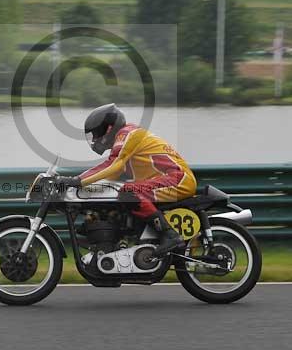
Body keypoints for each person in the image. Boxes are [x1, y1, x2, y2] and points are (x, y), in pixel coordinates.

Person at [56, 103, 197, 255]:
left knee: (128, 192)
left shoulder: (127, 133)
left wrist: (77, 180)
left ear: (109, 127)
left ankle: (170, 236)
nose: (96, 138)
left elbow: (112, 165)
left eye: (98, 132)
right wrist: (82, 185)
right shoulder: (126, 139)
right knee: (118, 193)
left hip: (178, 179)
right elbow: (112, 174)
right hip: (167, 179)